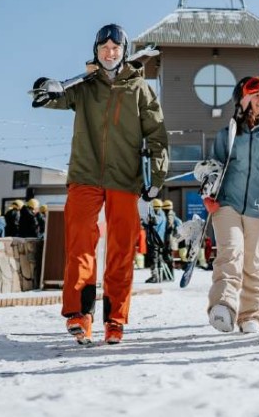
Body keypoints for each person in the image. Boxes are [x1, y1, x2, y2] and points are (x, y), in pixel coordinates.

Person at [32, 22, 168, 345]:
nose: (110, 52)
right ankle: (80, 316)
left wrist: (156, 177)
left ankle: (115, 321)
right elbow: (53, 98)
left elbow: (157, 135)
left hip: (125, 178)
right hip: (85, 174)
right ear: (97, 51)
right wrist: (44, 88)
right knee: (79, 243)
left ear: (123, 53)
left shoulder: (139, 89)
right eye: (104, 48)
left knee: (121, 249)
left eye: (116, 48)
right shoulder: (85, 86)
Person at [203, 76, 259, 334]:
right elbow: (215, 165)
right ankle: (223, 307)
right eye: (255, 94)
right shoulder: (228, 133)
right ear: (243, 99)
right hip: (227, 203)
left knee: (252, 262)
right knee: (230, 254)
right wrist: (208, 193)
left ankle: (250, 315)